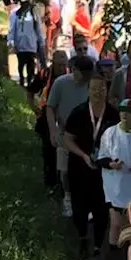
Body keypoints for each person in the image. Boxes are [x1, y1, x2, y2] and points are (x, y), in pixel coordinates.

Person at [63, 77, 121, 258]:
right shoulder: (78, 113)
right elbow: (67, 139)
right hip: (80, 167)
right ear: (88, 90)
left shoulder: (113, 114)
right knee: (79, 207)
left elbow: (120, 139)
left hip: (105, 171)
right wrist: (83, 155)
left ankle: (97, 246)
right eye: (94, 88)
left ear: (107, 90)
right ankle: (82, 237)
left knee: (102, 209)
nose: (98, 92)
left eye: (101, 88)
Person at [97, 98, 131, 248]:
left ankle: (129, 254)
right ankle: (112, 253)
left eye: (129, 112)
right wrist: (111, 164)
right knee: (115, 224)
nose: (125, 115)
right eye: (122, 111)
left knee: (130, 225)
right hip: (114, 185)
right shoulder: (110, 134)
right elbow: (101, 159)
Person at [46, 55, 96, 219]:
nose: (87, 78)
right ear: (75, 71)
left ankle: (86, 202)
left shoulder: (91, 84)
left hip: (86, 134)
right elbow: (50, 107)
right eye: (85, 74)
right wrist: (53, 131)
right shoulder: (61, 83)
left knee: (86, 169)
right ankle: (67, 198)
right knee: (65, 170)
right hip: (64, 132)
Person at [33, 50, 70, 194]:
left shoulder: (70, 75)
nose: (62, 67)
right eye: (59, 64)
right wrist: (34, 108)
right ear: (53, 62)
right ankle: (50, 183)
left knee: (63, 152)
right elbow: (30, 92)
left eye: (64, 64)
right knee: (48, 150)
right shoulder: (44, 75)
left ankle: (63, 184)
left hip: (64, 119)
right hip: (45, 120)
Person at [7, 0, 47, 84]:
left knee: (30, 64)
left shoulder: (33, 13)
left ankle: (30, 81)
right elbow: (12, 29)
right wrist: (11, 41)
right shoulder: (15, 14)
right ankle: (21, 79)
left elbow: (38, 29)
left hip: (31, 44)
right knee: (21, 63)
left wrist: (41, 41)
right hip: (20, 44)